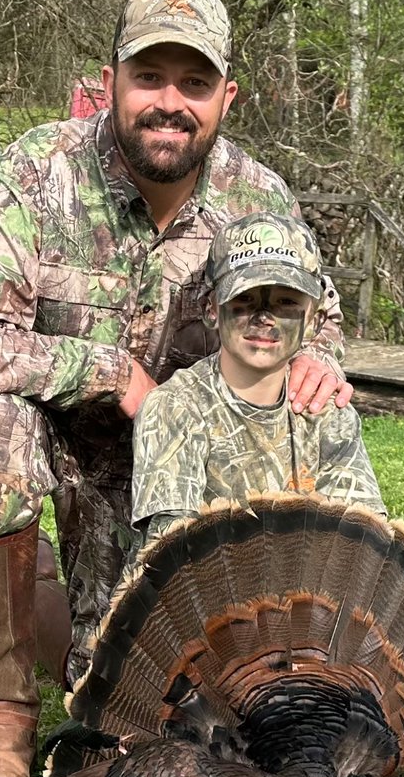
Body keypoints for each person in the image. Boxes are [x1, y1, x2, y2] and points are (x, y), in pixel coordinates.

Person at [0, 0, 354, 777]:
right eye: (148, 76)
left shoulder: (259, 199)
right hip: (49, 433)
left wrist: (319, 366)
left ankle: (18, 591)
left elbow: (319, 321)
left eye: (193, 84)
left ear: (227, 97)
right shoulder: (38, 171)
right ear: (110, 79)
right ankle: (2, 711)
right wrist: (113, 373)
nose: (169, 103)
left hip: (171, 472)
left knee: (117, 687)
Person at [129, 211, 385, 560]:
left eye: (286, 302)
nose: (264, 318)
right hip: (200, 599)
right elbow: (171, 558)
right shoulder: (173, 406)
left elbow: (361, 545)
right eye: (244, 299)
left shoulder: (328, 413)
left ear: (315, 321)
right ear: (211, 310)